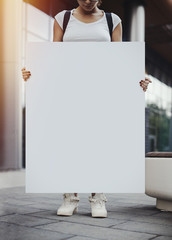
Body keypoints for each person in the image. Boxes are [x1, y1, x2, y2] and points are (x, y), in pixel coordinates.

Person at [21, 0, 151, 218]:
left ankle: (97, 197)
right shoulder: (62, 19)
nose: (88, 0)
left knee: (97, 141)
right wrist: (33, 73)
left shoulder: (112, 21)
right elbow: (53, 59)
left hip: (100, 90)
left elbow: (120, 62)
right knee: (69, 141)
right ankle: (70, 197)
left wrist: (136, 81)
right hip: (68, 89)